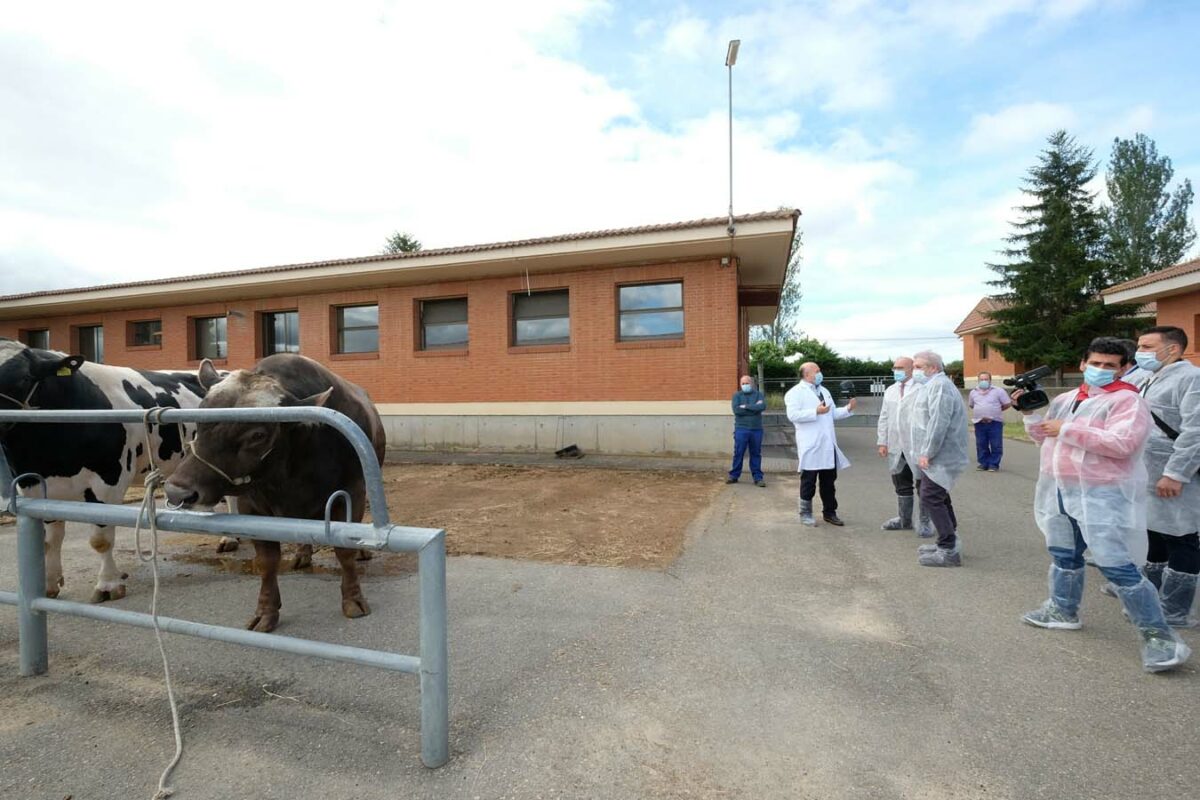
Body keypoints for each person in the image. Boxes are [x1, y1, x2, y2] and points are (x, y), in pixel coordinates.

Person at [1018, 336, 1190, 672]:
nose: (1100, 370)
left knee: (1116, 564)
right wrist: (1031, 414)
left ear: (1125, 368)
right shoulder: (1068, 398)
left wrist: (1067, 428)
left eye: (1109, 365)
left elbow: (1123, 443)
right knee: (1064, 553)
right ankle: (1062, 609)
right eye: (1095, 363)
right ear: (1082, 364)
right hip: (1061, 487)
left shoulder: (1127, 401)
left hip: (1102, 492)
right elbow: (1043, 436)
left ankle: (1159, 637)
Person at [1117, 326, 1200, 628]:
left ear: (1174, 349)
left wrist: (1176, 473)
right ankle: (1151, 597)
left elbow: (1196, 431)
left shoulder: (1191, 378)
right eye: (1139, 346)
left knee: (1182, 537)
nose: (1140, 352)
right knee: (1154, 535)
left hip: (1174, 477)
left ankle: (1176, 609)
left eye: (1147, 346)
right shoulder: (1149, 378)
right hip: (1148, 474)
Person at [910, 351, 969, 566]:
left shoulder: (940, 386)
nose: (914, 370)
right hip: (938, 454)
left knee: (931, 496)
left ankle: (948, 549)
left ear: (933, 368)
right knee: (939, 496)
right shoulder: (932, 385)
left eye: (918, 366)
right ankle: (949, 540)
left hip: (942, 455)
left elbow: (938, 422)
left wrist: (928, 452)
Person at [785, 361, 856, 526]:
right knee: (808, 481)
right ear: (807, 374)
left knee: (829, 482)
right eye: (816, 371)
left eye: (819, 370)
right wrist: (815, 411)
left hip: (827, 444)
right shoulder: (795, 393)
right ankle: (805, 513)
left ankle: (830, 512)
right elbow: (793, 415)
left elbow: (831, 413)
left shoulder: (823, 390)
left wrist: (847, 409)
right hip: (811, 444)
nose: (819, 373)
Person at [877, 357, 919, 530]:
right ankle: (905, 520)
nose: (896, 371)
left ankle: (925, 522)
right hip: (896, 444)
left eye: (900, 367)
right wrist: (882, 441)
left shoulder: (921, 388)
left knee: (924, 485)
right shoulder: (891, 390)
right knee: (901, 483)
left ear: (911, 369)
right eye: (894, 368)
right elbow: (884, 416)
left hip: (917, 444)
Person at [727, 374, 767, 487]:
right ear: (740, 385)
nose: (745, 385)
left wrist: (745, 406)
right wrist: (754, 407)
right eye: (743, 383)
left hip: (756, 429)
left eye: (747, 383)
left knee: (756, 453)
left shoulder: (759, 394)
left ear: (752, 384)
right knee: (738, 452)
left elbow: (762, 407)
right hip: (741, 429)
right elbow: (737, 411)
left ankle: (758, 477)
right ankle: (734, 475)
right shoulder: (737, 396)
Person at [968, 372, 1011, 471]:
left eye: (986, 379)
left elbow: (1007, 404)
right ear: (978, 380)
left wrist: (996, 410)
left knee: (996, 444)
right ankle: (983, 463)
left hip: (995, 422)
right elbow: (971, 405)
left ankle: (993, 464)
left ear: (990, 380)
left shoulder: (999, 391)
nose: (984, 381)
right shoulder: (973, 392)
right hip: (979, 422)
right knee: (981, 444)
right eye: (981, 379)